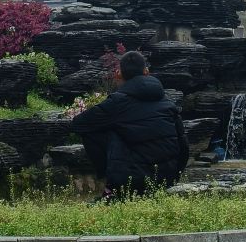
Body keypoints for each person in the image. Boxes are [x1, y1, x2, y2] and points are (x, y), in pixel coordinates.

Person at [70, 50, 189, 199]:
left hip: (131, 181)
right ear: (146, 72)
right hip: (167, 178)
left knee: (98, 128)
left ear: (119, 74)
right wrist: (175, 176)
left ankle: (109, 185)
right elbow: (184, 146)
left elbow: (78, 124)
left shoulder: (117, 103)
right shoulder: (167, 103)